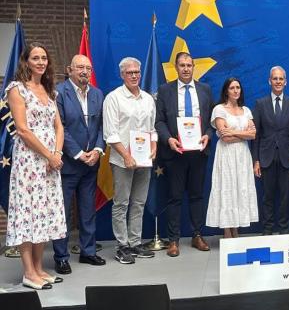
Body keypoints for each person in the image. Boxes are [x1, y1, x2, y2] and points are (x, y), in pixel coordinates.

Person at [5, 42, 66, 289]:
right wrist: (48, 155)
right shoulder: (16, 89)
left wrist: (57, 153)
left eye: (44, 58)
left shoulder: (50, 90)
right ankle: (28, 272)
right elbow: (22, 130)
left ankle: (40, 268)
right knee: (28, 211)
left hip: (51, 161)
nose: (41, 62)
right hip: (29, 160)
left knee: (44, 212)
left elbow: (59, 126)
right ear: (26, 61)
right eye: (35, 58)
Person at [155, 52, 214, 257]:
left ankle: (197, 235)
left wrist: (207, 135)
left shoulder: (205, 90)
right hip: (175, 152)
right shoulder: (165, 90)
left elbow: (212, 122)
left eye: (189, 65)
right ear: (176, 67)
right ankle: (173, 240)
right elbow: (159, 121)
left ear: (194, 67)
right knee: (175, 197)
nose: (186, 68)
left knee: (197, 196)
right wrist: (168, 140)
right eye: (182, 65)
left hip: (198, 152)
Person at [52, 54, 106, 275]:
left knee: (87, 211)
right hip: (68, 164)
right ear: (69, 69)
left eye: (88, 68)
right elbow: (60, 127)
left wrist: (98, 150)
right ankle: (61, 256)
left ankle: (88, 251)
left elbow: (103, 125)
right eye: (80, 67)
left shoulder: (97, 94)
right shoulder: (58, 92)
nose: (85, 71)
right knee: (63, 212)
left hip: (91, 163)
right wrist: (77, 153)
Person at [103, 57, 157, 264]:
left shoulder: (148, 99)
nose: (134, 75)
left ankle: (135, 242)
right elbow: (110, 134)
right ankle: (122, 246)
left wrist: (153, 147)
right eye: (129, 73)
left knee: (139, 202)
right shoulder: (113, 98)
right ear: (122, 75)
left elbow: (152, 130)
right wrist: (126, 156)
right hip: (122, 160)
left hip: (144, 161)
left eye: (136, 72)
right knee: (121, 203)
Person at [252, 66, 289, 235]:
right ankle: (267, 231)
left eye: (281, 79)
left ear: (285, 82)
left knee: (285, 197)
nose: (278, 81)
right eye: (275, 78)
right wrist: (256, 160)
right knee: (267, 197)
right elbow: (256, 135)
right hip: (266, 157)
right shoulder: (260, 104)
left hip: (287, 158)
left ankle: (284, 230)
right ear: (269, 81)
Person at [206, 78, 258, 237]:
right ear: (226, 91)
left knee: (240, 188)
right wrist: (244, 134)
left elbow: (253, 134)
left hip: (242, 156)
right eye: (232, 88)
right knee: (227, 189)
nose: (236, 90)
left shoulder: (246, 110)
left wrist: (234, 132)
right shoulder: (219, 110)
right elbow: (225, 138)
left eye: (238, 88)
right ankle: (227, 231)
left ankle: (236, 229)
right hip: (227, 155)